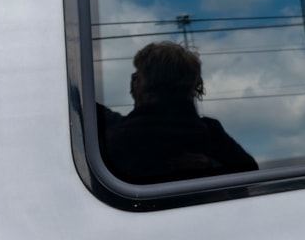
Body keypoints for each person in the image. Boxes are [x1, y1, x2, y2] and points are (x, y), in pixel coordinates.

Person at [103, 41, 258, 184]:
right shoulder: (211, 134)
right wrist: (211, 166)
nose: (133, 83)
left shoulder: (120, 139)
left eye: (138, 77)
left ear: (149, 87)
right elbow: (249, 172)